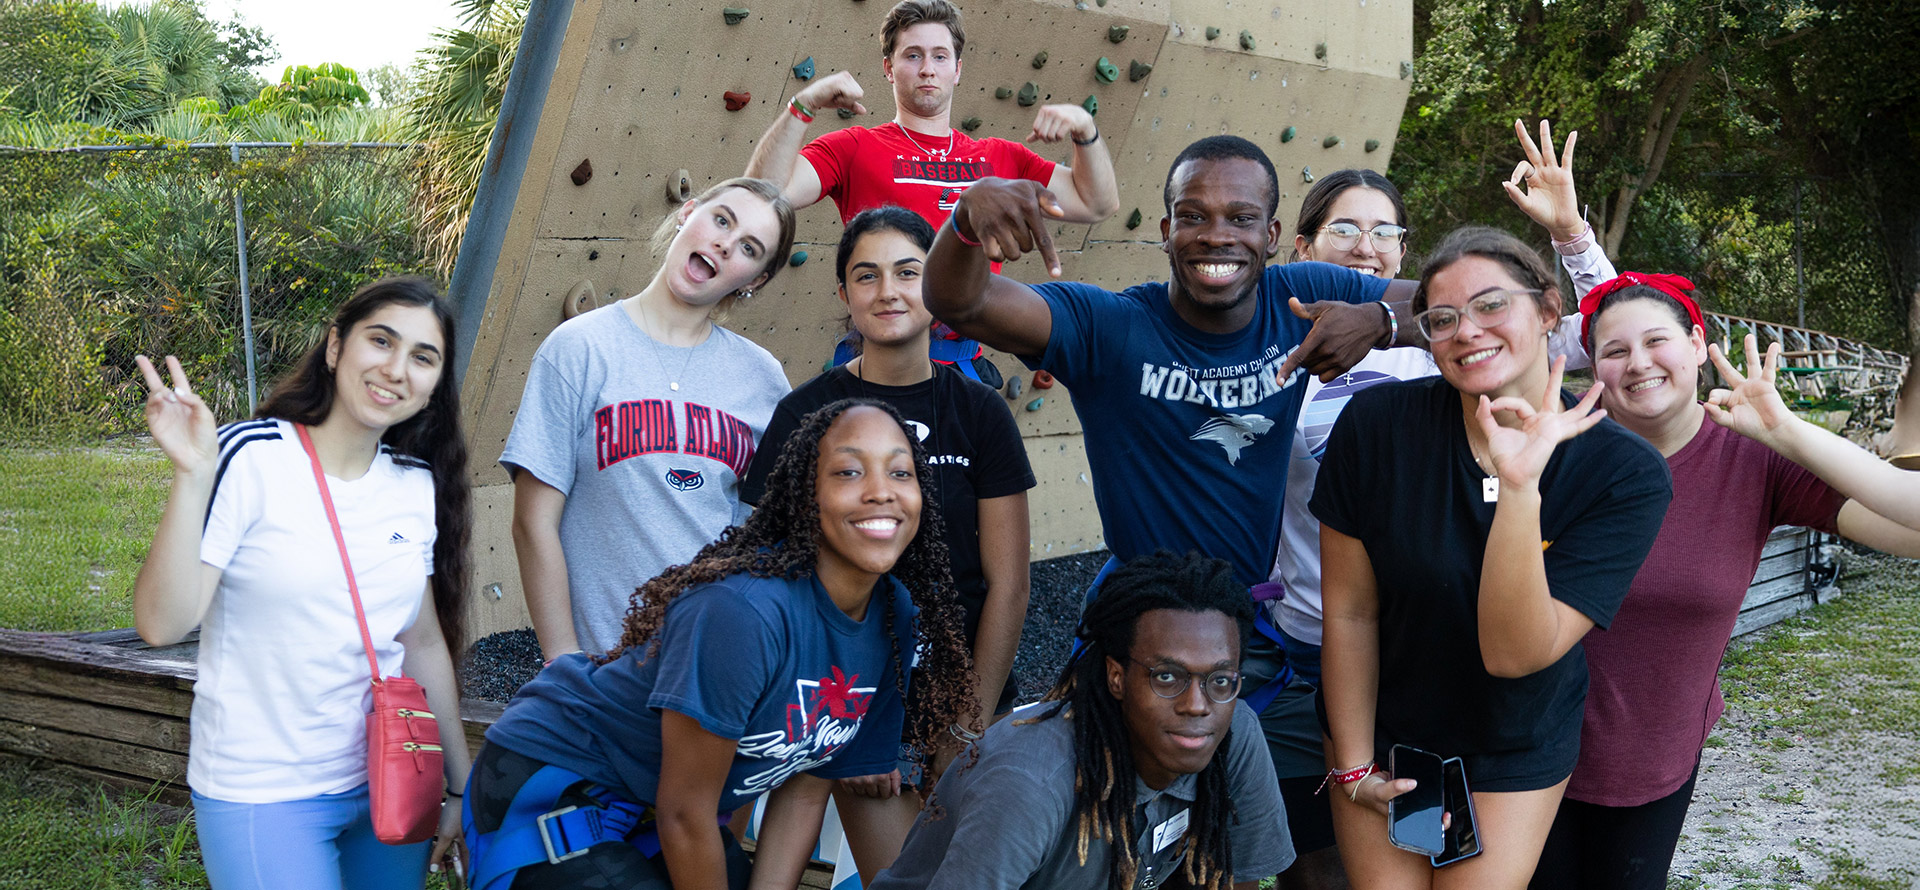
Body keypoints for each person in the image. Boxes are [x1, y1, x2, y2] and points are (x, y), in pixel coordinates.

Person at [1502, 164, 1920, 885]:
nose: (1638, 365)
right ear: (1588, 366)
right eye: (1613, 350)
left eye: (1658, 342)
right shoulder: (1554, 440)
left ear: (1699, 344)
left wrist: (1789, 433)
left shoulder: (1754, 462)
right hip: (1519, 754)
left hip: (1653, 766)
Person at [1258, 127, 1617, 889]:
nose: (1367, 245)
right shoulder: (1276, 353)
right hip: (1312, 649)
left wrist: (1571, 234)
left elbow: (1598, 333)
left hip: (1454, 672)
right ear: (1301, 244)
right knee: (1311, 859)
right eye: (1344, 228)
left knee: (1446, 867)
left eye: (1386, 230)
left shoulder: (1452, 354)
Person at [464, 400, 978, 890]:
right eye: (848, 472)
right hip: (555, 784)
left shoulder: (893, 614)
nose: (881, 491)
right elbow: (686, 813)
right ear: (806, 494)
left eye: (900, 472)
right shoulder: (742, 614)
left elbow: (807, 782)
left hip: (656, 808)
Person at [1313, 226, 1672, 889]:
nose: (1466, 331)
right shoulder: (1377, 428)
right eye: (1442, 318)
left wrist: (1518, 487)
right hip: (1390, 737)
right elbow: (1352, 612)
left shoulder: (1623, 474)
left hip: (1512, 747)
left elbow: (1513, 653)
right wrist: (1356, 765)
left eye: (1490, 305)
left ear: (1546, 310)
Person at [132, 277, 474, 889]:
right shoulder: (250, 455)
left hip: (388, 780)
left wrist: (457, 785)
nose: (396, 369)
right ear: (336, 347)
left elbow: (420, 641)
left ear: (434, 388)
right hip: (262, 791)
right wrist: (192, 474)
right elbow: (162, 624)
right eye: (381, 341)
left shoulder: (415, 485)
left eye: (423, 358)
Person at [738, 206, 1035, 880]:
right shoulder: (805, 415)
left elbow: (1010, 585)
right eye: (865, 276)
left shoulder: (980, 412)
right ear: (844, 295)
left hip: (967, 694)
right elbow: (779, 574)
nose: (887, 291)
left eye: (907, 272)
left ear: (935, 285)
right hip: (854, 698)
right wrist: (850, 721)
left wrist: (965, 724)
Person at [869, 550, 1294, 890]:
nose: (1198, 705)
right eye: (1167, 676)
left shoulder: (1232, 733)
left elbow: (1236, 880)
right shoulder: (1029, 782)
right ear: (1116, 676)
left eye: (1220, 680)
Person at [743, 0, 1120, 380]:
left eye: (940, 56)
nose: (927, 69)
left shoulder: (1002, 157)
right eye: (912, 55)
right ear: (889, 69)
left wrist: (1085, 131)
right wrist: (802, 105)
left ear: (957, 70)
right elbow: (765, 195)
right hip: (882, 360)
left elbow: (1096, 203)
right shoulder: (854, 146)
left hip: (964, 369)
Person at [503, 177, 797, 660]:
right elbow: (533, 524)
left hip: (709, 670)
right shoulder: (581, 348)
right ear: (689, 213)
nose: (724, 244)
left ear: (756, 279)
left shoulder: (763, 378)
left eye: (749, 247)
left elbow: (767, 537)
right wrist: (566, 668)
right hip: (600, 668)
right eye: (721, 220)